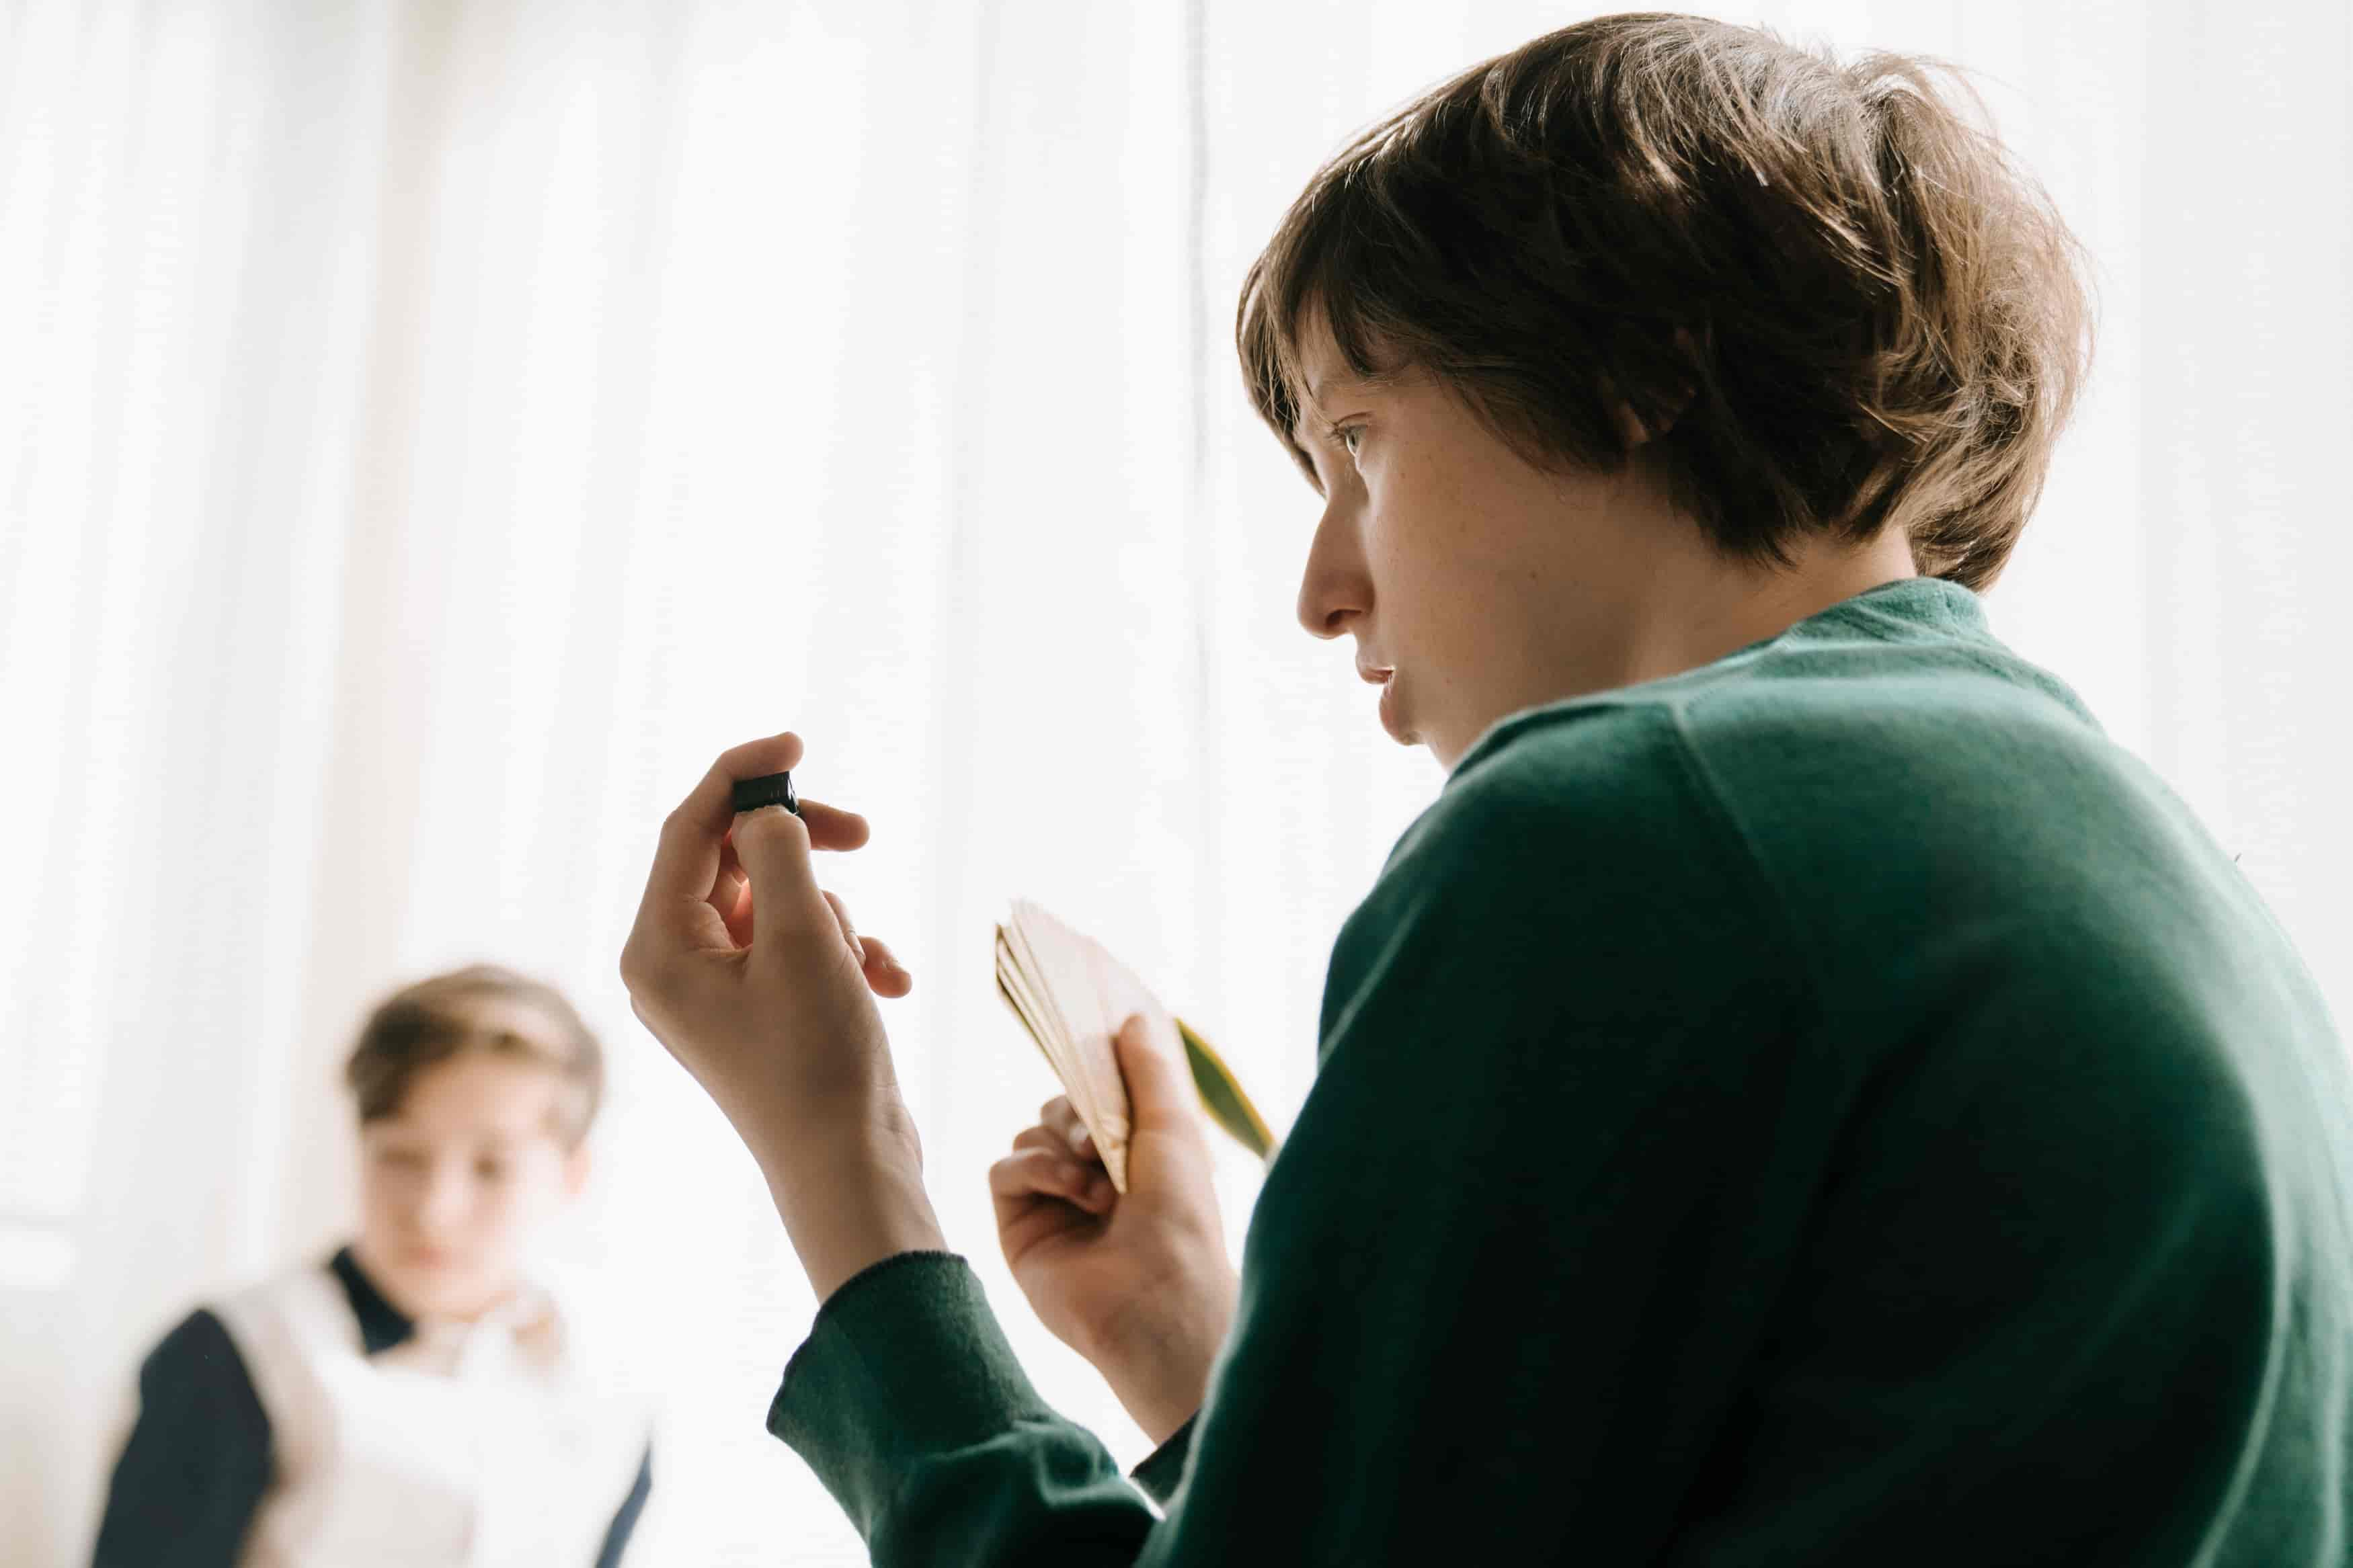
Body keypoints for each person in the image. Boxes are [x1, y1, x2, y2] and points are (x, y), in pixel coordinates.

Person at [617, 12, 2353, 1565]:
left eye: (1355, 439)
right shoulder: (2141, 863)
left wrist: (845, 1169)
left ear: (1636, 364)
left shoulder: (1616, 828)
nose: (1320, 585)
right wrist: (1190, 1351)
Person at [91, 964, 653, 1567]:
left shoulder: (615, 1378)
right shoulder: (241, 1351)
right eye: (402, 1156)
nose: (436, 1210)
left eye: (491, 1166)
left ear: (572, 1174)